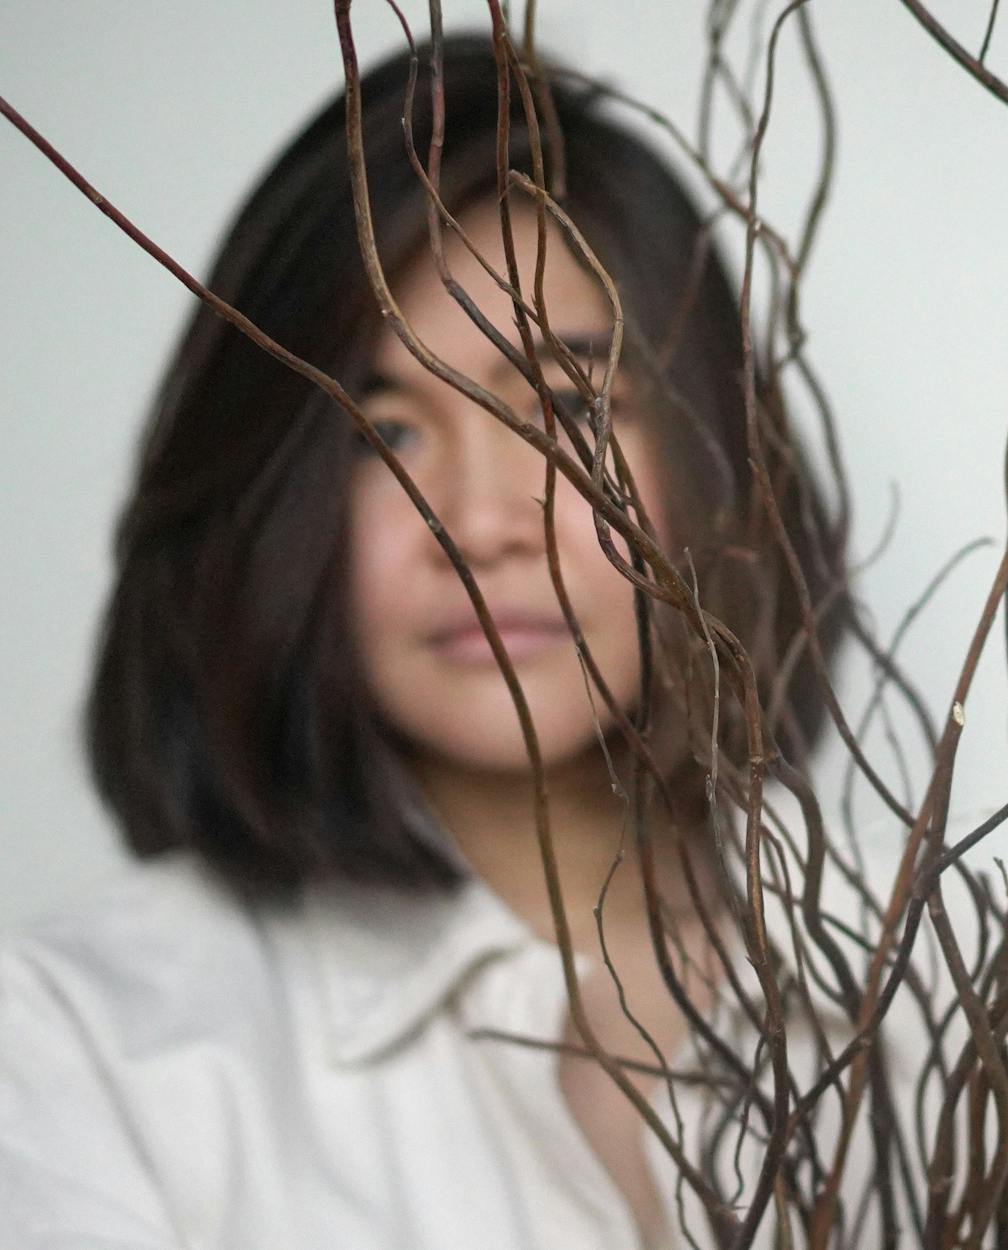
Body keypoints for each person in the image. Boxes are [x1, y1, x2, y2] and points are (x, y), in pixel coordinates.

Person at [0, 33, 849, 1249]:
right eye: (379, 434)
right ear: (265, 501)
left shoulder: (978, 1011)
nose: (483, 521)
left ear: (718, 448)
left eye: (568, 409)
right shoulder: (76, 1052)